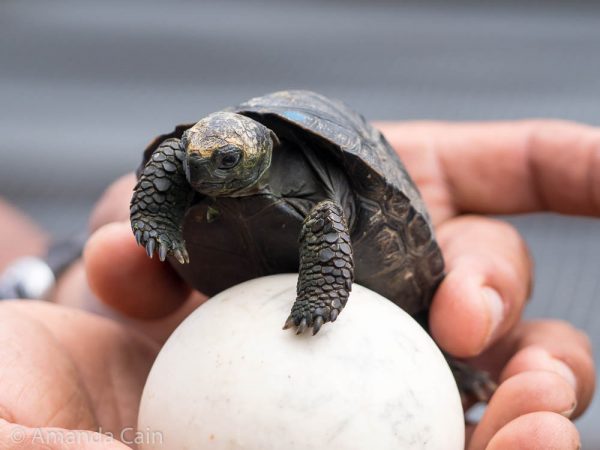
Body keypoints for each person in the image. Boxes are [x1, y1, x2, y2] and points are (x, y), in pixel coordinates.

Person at [0, 119, 596, 449]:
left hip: (353, 261)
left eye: (225, 162)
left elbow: (329, 220)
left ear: (261, 151)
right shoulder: (197, 156)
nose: (205, 170)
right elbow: (188, 159)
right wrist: (146, 223)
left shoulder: (317, 197)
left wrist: (318, 296)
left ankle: (451, 366)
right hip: (210, 308)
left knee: (446, 315)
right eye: (196, 162)